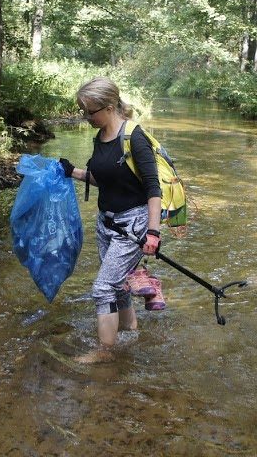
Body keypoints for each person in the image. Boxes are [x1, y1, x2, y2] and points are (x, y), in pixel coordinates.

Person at [58, 77, 163, 363]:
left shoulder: (134, 137)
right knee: (116, 285)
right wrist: (73, 172)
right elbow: (103, 179)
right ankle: (131, 331)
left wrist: (152, 232)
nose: (85, 116)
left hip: (134, 226)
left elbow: (154, 188)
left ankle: (105, 353)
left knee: (102, 288)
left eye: (89, 111)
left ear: (109, 106)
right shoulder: (100, 136)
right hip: (106, 223)